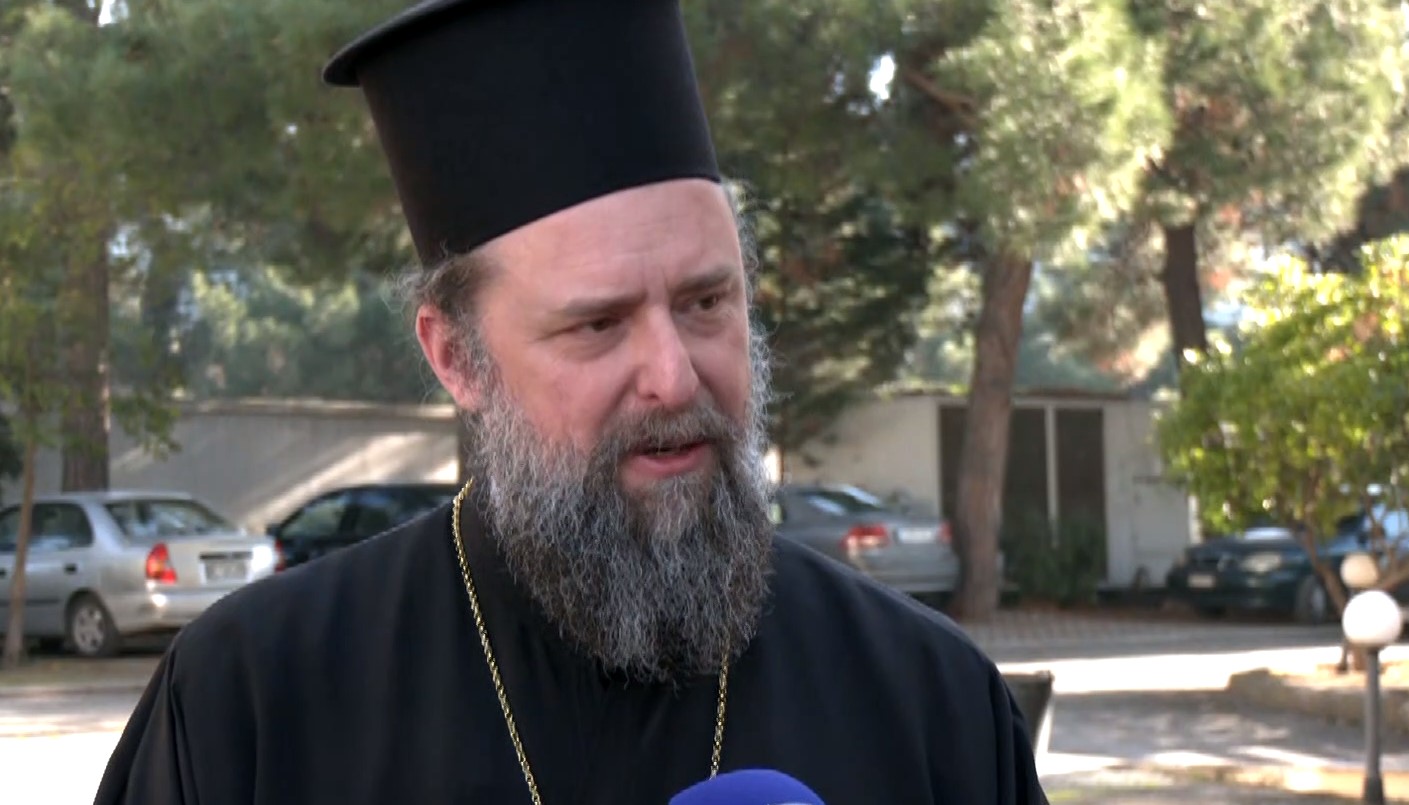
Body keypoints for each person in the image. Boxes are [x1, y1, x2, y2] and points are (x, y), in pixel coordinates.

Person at [94, 1, 1049, 802]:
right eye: (597, 324)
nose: (674, 375)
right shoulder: (252, 702)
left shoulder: (926, 699)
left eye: (705, 302)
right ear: (456, 357)